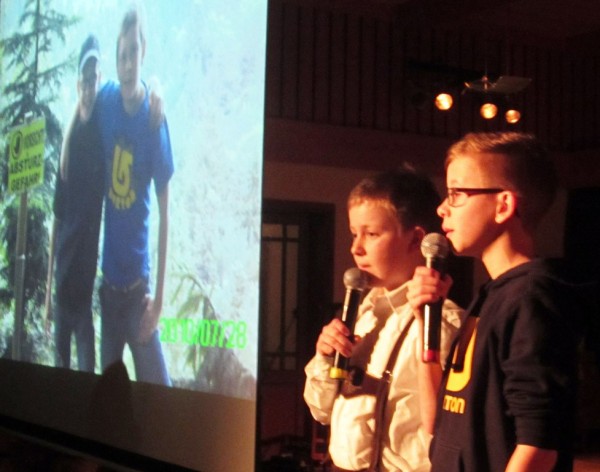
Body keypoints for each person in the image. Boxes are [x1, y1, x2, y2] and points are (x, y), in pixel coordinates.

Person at [407, 131, 587, 471]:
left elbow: (538, 447)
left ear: (503, 205)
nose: (442, 208)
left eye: (457, 193)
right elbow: (437, 424)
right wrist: (423, 321)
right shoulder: (491, 295)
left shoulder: (533, 296)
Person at [304, 166, 463, 472]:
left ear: (416, 239)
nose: (356, 248)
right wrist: (325, 358)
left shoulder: (441, 322)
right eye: (353, 234)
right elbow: (320, 409)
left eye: (372, 234)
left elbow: (451, 427)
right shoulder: (363, 313)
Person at [94, 3, 173, 385]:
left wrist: (158, 302)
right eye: (121, 55)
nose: (127, 63)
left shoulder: (155, 121)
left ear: (143, 53)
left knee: (161, 394)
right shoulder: (107, 100)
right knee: (107, 406)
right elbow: (83, 96)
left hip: (138, 295)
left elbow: (165, 214)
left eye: (133, 54)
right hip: (107, 294)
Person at [44, 35, 104, 372]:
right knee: (59, 378)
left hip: (84, 294)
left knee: (86, 375)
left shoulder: (101, 127)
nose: (89, 85)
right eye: (85, 78)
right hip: (62, 289)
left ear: (98, 79)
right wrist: (48, 292)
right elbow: (56, 219)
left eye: (94, 78)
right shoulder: (70, 144)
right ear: (78, 81)